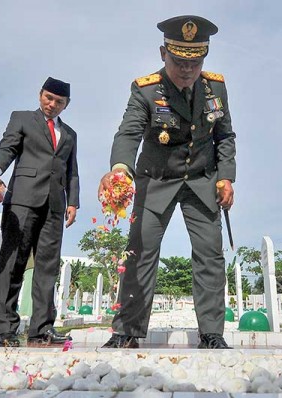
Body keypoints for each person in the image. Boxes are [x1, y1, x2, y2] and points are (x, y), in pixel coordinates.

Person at [100, 15, 236, 349]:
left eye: (195, 61)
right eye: (179, 61)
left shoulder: (215, 86)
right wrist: (120, 169)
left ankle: (212, 333)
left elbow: (225, 136)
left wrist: (227, 177)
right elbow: (129, 132)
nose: (188, 69)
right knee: (140, 252)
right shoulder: (146, 89)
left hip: (202, 182)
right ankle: (126, 331)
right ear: (164, 54)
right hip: (156, 181)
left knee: (210, 255)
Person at [0, 77, 79, 347]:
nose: (52, 104)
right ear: (40, 96)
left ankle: (42, 328)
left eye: (59, 102)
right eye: (48, 98)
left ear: (66, 105)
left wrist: (73, 202)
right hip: (22, 200)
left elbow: (72, 171)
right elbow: (8, 148)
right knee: (13, 262)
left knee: (48, 267)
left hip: (55, 205)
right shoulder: (22, 118)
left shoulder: (70, 134)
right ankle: (5, 327)